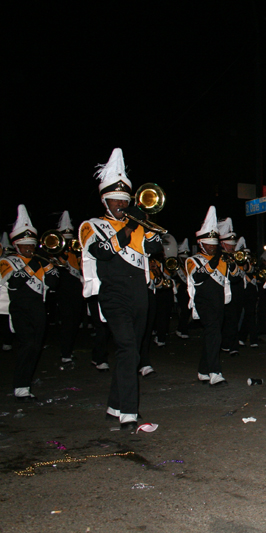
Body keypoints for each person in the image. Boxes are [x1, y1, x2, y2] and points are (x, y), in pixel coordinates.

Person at [79, 148, 162, 429]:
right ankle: (129, 412)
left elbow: (155, 247)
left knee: (132, 352)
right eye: (115, 199)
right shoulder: (92, 225)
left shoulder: (138, 226)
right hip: (113, 293)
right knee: (127, 347)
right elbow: (102, 252)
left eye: (125, 200)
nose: (121, 204)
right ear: (105, 200)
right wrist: (126, 231)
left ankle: (114, 406)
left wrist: (144, 223)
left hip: (139, 293)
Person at [0, 205, 60, 401]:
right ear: (16, 245)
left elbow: (52, 284)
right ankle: (21, 386)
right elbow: (14, 282)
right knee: (27, 345)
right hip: (19, 308)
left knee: (35, 346)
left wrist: (51, 267)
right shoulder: (7, 261)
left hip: (38, 309)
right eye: (25, 245)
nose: (29, 248)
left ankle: (25, 382)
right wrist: (35, 263)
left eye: (32, 245)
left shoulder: (41, 262)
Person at [186, 207, 230, 386]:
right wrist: (214, 261)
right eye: (209, 243)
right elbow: (197, 276)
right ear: (201, 243)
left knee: (212, 335)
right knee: (213, 334)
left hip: (219, 302)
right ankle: (214, 372)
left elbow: (232, 276)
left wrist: (231, 262)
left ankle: (203, 370)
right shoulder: (193, 260)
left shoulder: (221, 259)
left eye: (214, 243)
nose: (212, 246)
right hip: (203, 302)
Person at [53, 211, 84, 369]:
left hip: (77, 288)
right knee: (67, 321)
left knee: (74, 321)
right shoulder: (56, 250)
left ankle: (68, 350)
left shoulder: (75, 249)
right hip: (64, 288)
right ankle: (65, 353)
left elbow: (80, 267)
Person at [218, 218, 243, 357]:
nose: (232, 247)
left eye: (232, 245)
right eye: (229, 245)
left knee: (235, 317)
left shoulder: (235, 256)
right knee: (226, 319)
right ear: (222, 244)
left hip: (236, 289)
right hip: (223, 289)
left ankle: (232, 344)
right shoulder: (218, 256)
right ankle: (225, 342)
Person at [174, 238, 192, 339]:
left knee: (187, 311)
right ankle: (182, 329)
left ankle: (181, 329)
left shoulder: (188, 265)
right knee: (184, 311)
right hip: (180, 291)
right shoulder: (176, 266)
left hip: (188, 291)